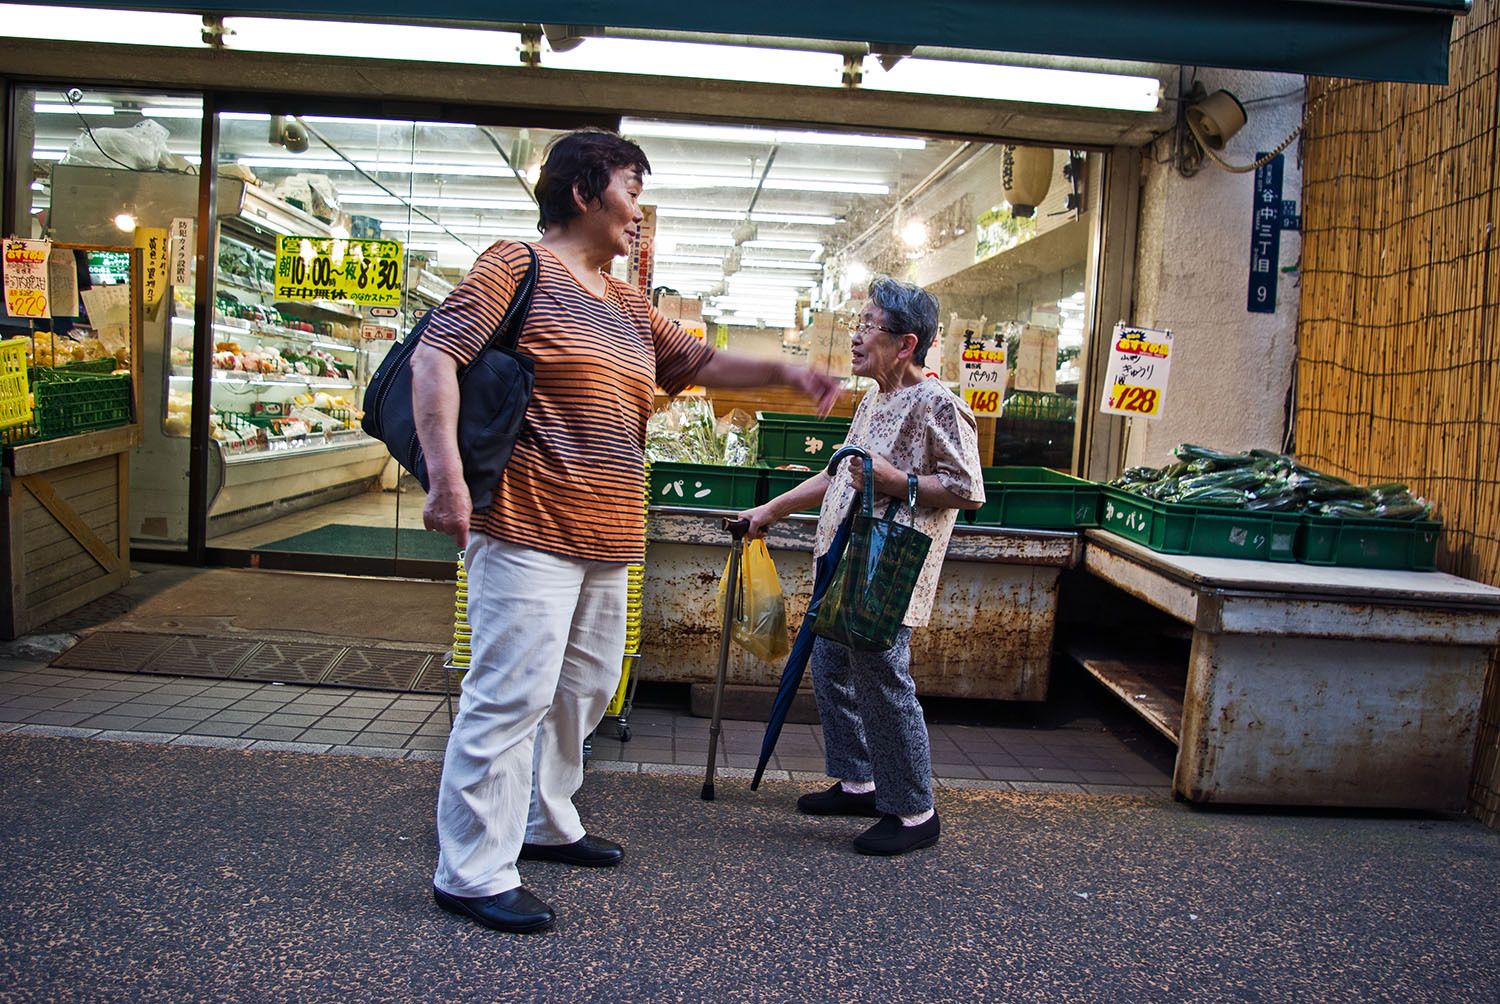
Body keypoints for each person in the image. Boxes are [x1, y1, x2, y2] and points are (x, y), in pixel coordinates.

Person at [412, 128, 841, 934]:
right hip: (528, 522)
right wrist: (445, 480)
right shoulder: (518, 265)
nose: (638, 213)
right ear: (584, 193)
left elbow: (704, 364)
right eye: (632, 192)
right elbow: (434, 358)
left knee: (582, 691)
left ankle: (545, 820)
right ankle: (469, 870)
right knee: (508, 697)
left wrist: (786, 369)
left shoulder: (626, 302)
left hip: (609, 536)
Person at [739, 277, 984, 857]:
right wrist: (769, 512)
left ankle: (915, 810)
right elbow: (837, 472)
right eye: (860, 322)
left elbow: (968, 488)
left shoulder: (937, 404)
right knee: (830, 667)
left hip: (887, 569)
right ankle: (859, 781)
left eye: (869, 325)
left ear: (906, 344)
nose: (855, 335)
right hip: (845, 560)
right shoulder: (875, 399)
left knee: (883, 678)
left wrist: (900, 482)